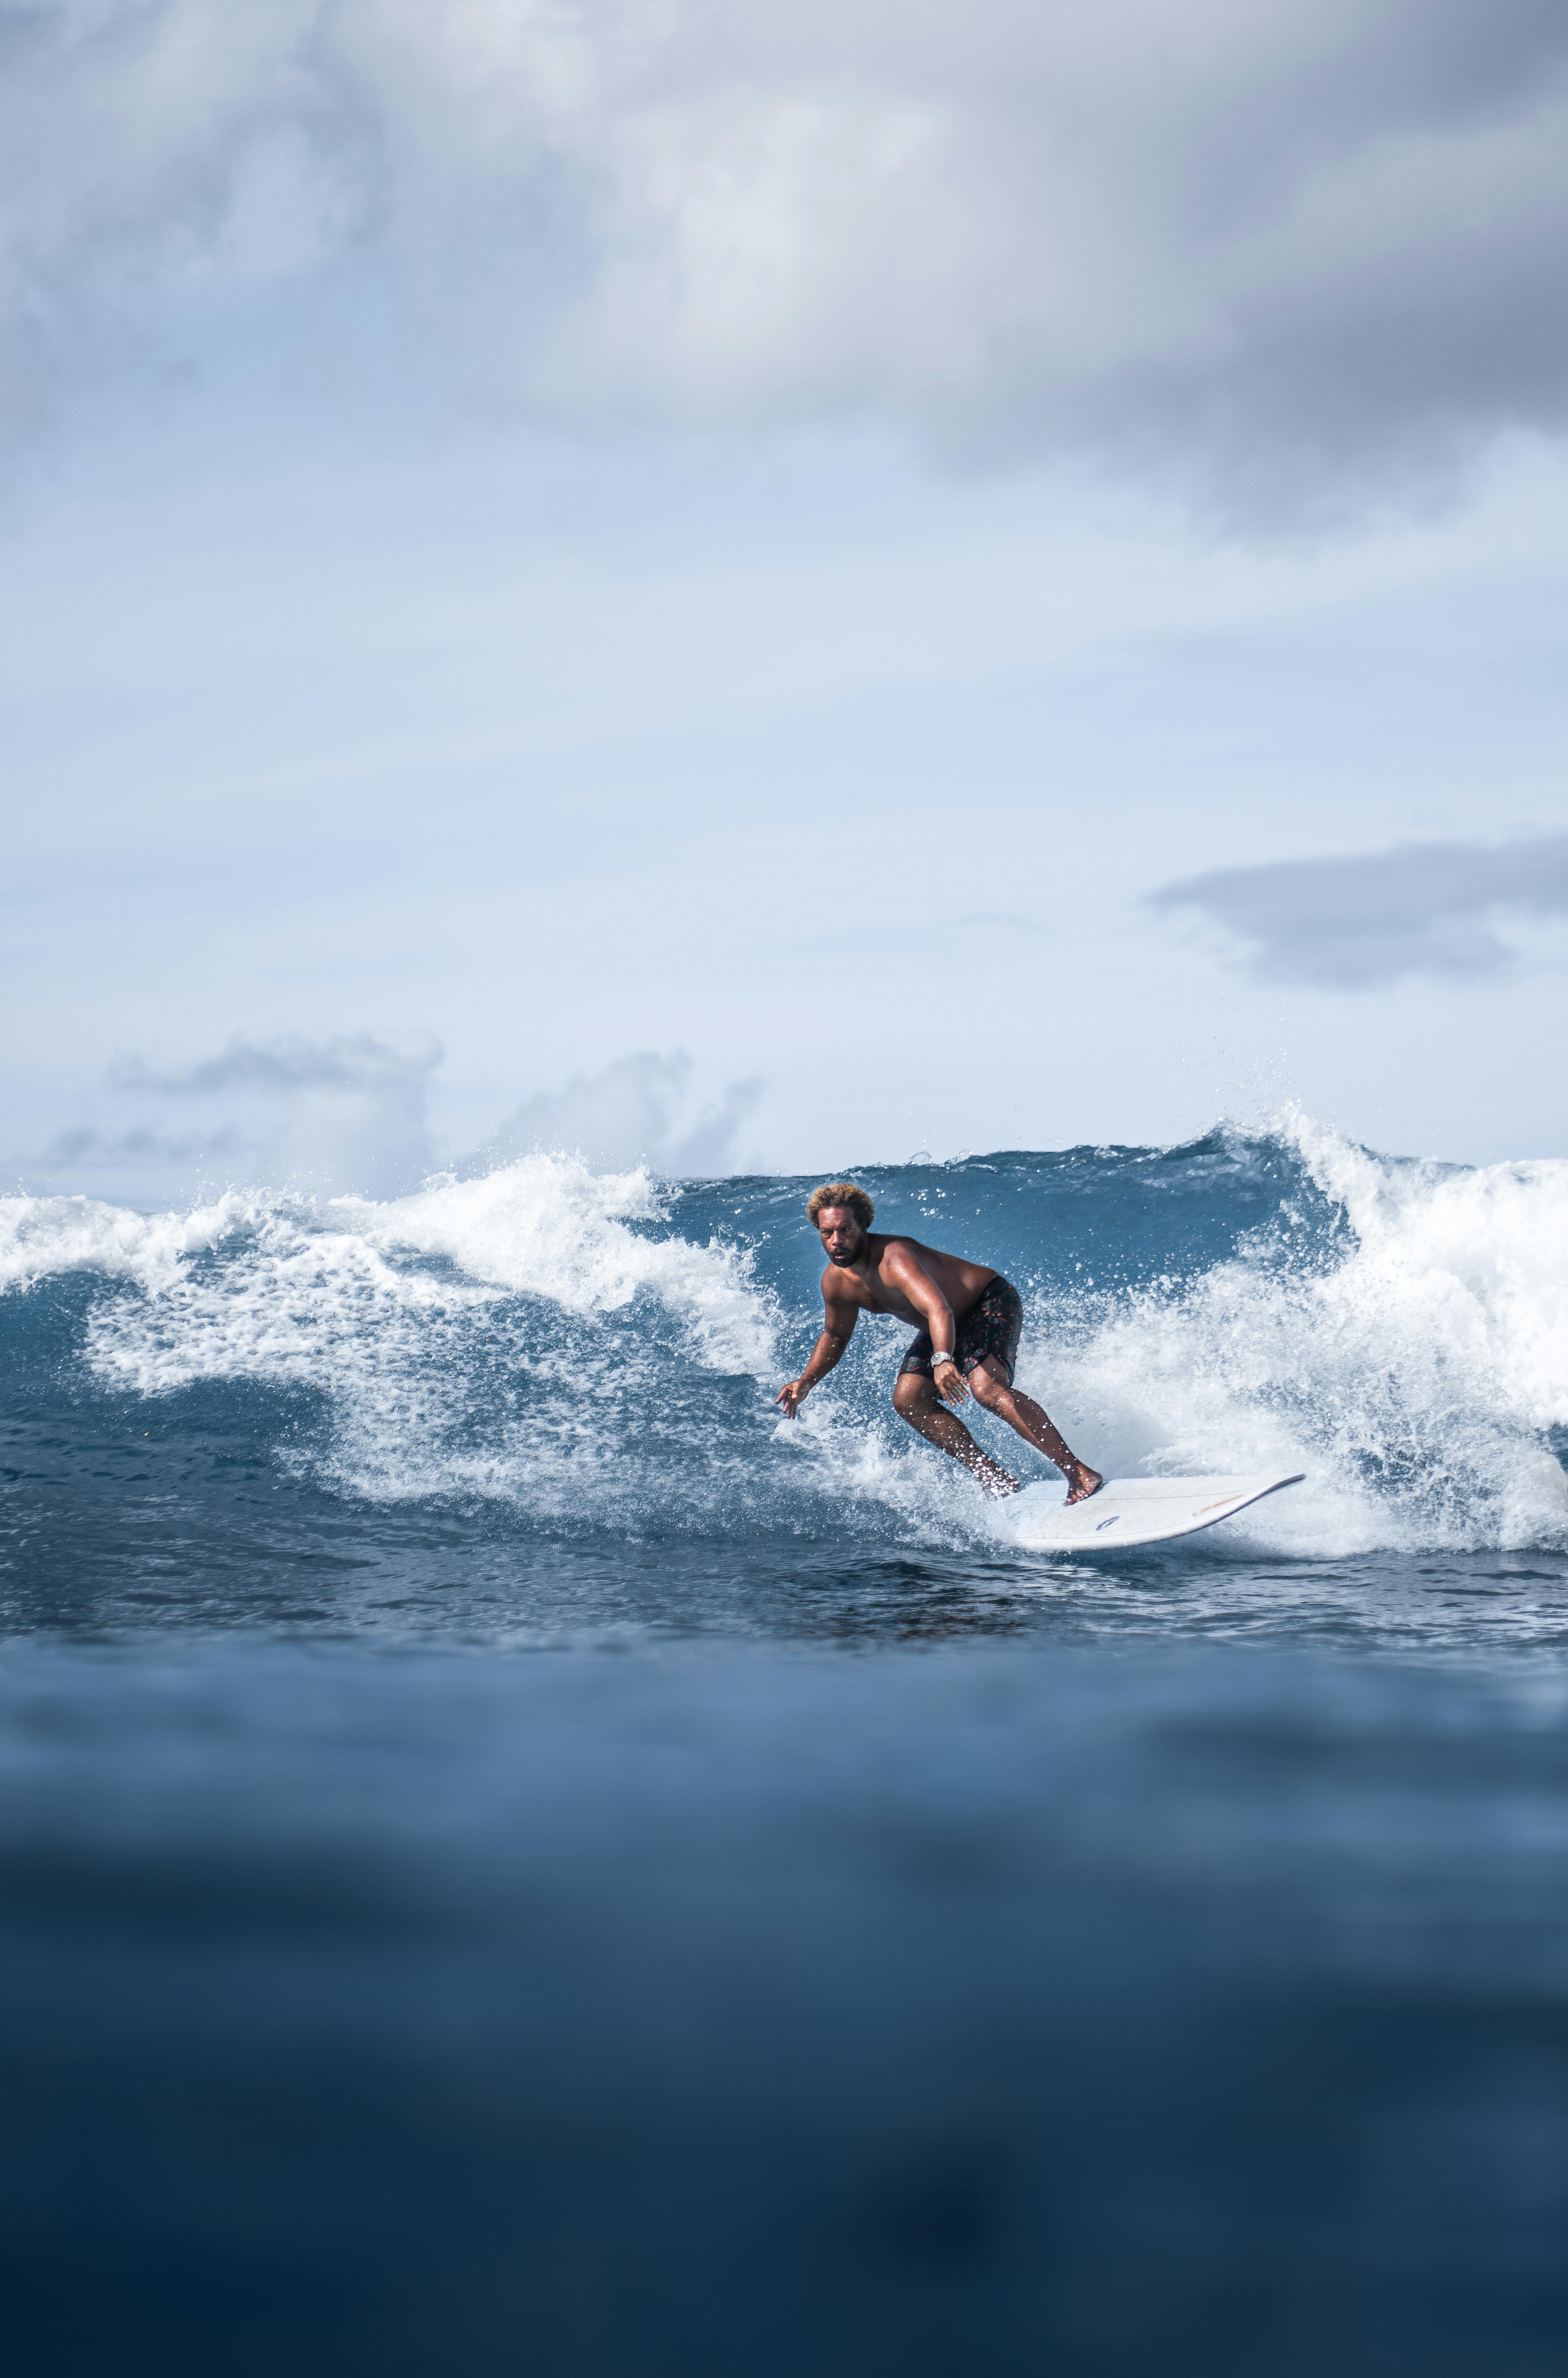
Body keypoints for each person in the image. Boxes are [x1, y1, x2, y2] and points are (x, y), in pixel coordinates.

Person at [775, 1181, 1103, 1503]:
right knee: (909, 1400)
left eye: (845, 1230)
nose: (836, 1241)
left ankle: (1077, 1472)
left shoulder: (894, 1259)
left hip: (987, 1302)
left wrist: (943, 1358)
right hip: (945, 1324)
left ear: (864, 1226)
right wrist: (807, 1381)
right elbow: (834, 1335)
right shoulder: (836, 1282)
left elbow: (938, 1307)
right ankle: (993, 1475)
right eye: (827, 1232)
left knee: (986, 1391)